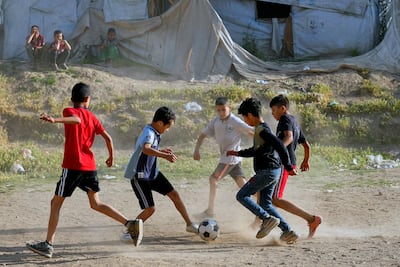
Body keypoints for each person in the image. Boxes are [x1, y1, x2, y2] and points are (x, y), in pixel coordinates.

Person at [26, 82, 143, 258]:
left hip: (73, 167)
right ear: (87, 99)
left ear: (72, 99)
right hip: (89, 167)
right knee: (96, 203)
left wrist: (54, 120)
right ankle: (129, 223)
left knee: (55, 203)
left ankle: (48, 244)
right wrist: (111, 156)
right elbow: (108, 138)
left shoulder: (69, 111)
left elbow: (77, 120)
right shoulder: (93, 117)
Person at [227, 97, 299, 244]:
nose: (246, 121)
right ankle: (287, 231)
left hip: (267, 171)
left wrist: (289, 166)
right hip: (273, 171)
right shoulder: (260, 129)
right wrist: (238, 153)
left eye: (245, 118)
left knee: (242, 195)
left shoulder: (262, 130)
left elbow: (280, 146)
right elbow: (256, 150)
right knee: (266, 204)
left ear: (250, 115)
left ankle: (266, 219)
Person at [122, 106, 199, 241]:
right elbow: (146, 149)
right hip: (140, 175)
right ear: (159, 123)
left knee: (174, 194)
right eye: (167, 127)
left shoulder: (153, 132)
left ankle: (189, 224)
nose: (167, 130)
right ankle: (130, 231)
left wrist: (162, 151)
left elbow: (148, 148)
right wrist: (164, 156)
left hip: (152, 172)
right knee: (150, 209)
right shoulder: (149, 133)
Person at [269, 94, 322, 238]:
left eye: (273, 110)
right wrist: (305, 161)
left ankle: (311, 219)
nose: (272, 114)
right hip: (283, 162)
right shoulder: (294, 121)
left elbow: (289, 138)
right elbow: (306, 145)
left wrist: (276, 150)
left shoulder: (285, 119)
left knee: (275, 199)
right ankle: (260, 223)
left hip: (282, 163)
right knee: (264, 193)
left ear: (282, 108)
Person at [193, 97, 254, 218]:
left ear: (229, 108)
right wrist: (196, 150)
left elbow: (251, 131)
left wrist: (258, 148)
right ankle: (262, 199)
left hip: (230, 158)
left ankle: (210, 211)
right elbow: (202, 135)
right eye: (218, 110)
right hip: (230, 159)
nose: (221, 112)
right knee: (244, 187)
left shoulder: (235, 121)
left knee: (213, 180)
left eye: (223, 110)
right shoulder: (216, 121)